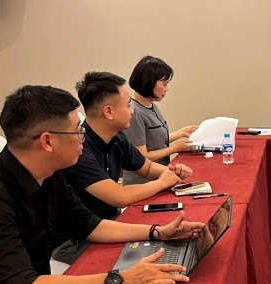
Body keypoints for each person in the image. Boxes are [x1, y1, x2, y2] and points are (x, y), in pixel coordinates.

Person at [0, 86, 204, 284]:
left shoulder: (49, 173)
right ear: (48, 141)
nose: (83, 137)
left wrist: (157, 232)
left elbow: (90, 226)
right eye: (77, 131)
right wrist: (120, 279)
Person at [63, 71, 193, 220]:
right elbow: (120, 197)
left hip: (112, 219)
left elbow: (147, 168)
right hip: (91, 228)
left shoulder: (117, 137)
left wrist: (173, 172)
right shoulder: (79, 150)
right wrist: (162, 182)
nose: (132, 111)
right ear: (109, 112)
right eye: (128, 105)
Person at [123, 56, 198, 186]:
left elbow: (154, 140)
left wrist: (181, 132)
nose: (167, 88)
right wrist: (174, 148)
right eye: (164, 84)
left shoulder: (150, 104)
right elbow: (141, 157)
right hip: (142, 183)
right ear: (149, 82)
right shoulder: (134, 112)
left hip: (160, 177)